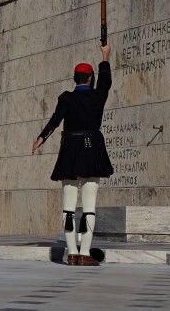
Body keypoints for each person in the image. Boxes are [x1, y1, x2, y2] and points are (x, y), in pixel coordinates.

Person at [32, 45, 113, 266]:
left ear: (74, 79)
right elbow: (106, 80)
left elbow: (55, 120)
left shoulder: (66, 98)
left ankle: (71, 253)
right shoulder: (98, 95)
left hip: (70, 149)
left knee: (68, 205)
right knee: (89, 206)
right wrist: (105, 56)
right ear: (90, 78)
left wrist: (41, 138)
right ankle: (84, 253)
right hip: (92, 147)